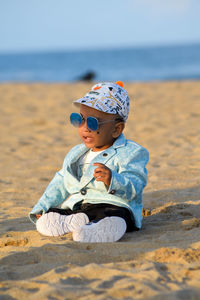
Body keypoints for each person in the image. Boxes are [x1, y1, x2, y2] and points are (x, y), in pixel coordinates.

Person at [29, 81, 149, 243]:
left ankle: (103, 227)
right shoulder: (76, 154)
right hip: (82, 206)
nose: (85, 127)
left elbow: (135, 185)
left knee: (117, 216)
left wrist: (112, 180)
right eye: (79, 119)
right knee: (51, 214)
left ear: (116, 129)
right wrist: (42, 207)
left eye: (93, 122)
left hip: (113, 206)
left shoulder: (131, 152)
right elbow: (60, 182)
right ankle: (76, 222)